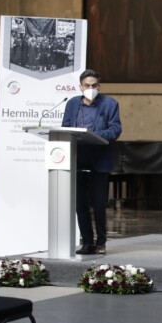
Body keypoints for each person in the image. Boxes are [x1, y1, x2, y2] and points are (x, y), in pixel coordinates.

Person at [62, 69, 122, 255]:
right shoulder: (72, 104)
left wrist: (93, 135)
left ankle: (101, 242)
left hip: (99, 162)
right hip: (78, 160)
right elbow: (65, 127)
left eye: (94, 85)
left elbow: (115, 129)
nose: (90, 88)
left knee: (98, 205)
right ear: (80, 86)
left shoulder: (110, 104)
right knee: (80, 206)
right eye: (87, 85)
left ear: (99, 86)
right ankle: (87, 242)